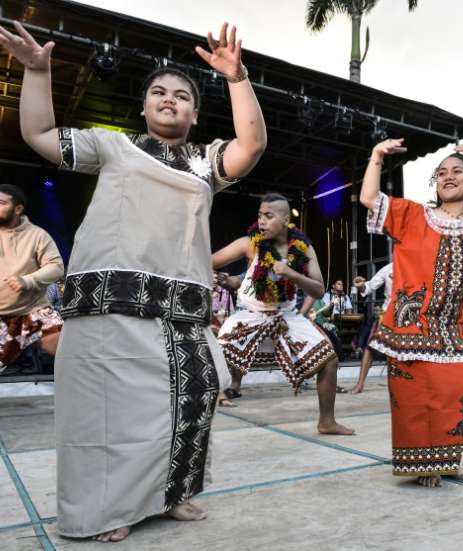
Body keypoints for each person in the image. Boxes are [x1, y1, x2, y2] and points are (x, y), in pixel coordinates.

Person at [0, 20, 267, 541]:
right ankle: (108, 509)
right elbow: (40, 135)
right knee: (106, 415)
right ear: (144, 107)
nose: (170, 100)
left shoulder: (205, 162)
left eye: (183, 97)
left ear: (195, 113)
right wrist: (36, 71)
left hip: (181, 308)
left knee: (193, 395)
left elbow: (252, 145)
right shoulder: (112, 147)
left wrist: (237, 78)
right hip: (108, 304)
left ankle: (172, 493)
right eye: (159, 93)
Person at [361, 137, 463, 487]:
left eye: (457, 171)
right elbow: (369, 198)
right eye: (442, 172)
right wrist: (376, 155)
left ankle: (446, 460)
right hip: (410, 328)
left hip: (454, 328)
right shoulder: (412, 215)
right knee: (415, 400)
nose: (448, 176)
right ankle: (423, 466)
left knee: (461, 396)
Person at [214, 193, 354, 435]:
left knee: (329, 360)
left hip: (287, 317)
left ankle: (327, 422)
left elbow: (319, 289)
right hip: (249, 314)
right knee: (213, 353)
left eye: (269, 216)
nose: (262, 221)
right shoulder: (250, 243)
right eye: (260, 215)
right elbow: (212, 261)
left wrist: (292, 274)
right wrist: (222, 278)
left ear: (286, 219)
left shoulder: (303, 248)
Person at [0, 184, 64, 373]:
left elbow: (56, 267)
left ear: (18, 209)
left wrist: (28, 280)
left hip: (35, 310)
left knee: (70, 353)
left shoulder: (37, 235)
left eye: (1, 203)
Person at [350, 262, 393, 393]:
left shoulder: (415, 267)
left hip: (409, 317)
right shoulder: (388, 269)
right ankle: (360, 384)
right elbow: (369, 287)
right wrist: (362, 286)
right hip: (387, 315)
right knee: (370, 347)